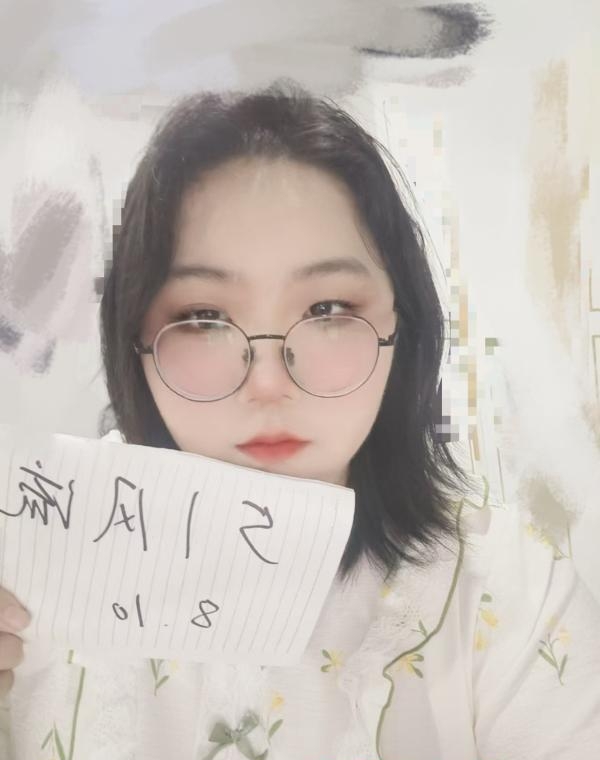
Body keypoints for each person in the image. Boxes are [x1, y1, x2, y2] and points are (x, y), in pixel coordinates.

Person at [1, 80, 599, 760]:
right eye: (204, 316)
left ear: (402, 325)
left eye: (327, 310)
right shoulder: (26, 569)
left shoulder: (509, 594)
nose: (267, 382)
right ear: (133, 339)